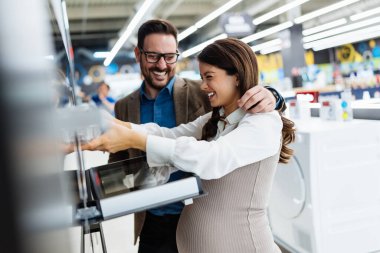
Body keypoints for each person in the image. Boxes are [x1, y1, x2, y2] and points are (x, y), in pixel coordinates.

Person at [84, 37, 295, 253]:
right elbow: (168, 135)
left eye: (209, 77)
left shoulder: (262, 122)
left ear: (237, 77)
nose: (203, 86)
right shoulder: (215, 118)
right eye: (202, 77)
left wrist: (135, 140)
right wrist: (115, 125)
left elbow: (212, 158)